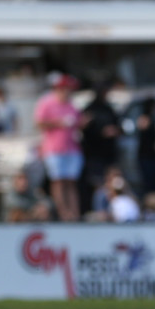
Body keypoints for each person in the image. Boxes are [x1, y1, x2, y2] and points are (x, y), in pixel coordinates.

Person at [33, 73, 84, 221]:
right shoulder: (46, 103)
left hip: (72, 148)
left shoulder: (72, 105)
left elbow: (78, 122)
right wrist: (59, 123)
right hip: (54, 149)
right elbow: (39, 123)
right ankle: (63, 214)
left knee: (71, 182)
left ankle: (74, 213)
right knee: (58, 182)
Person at [80, 83, 121, 215]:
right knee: (96, 184)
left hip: (109, 153)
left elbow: (119, 126)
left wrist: (115, 131)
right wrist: (101, 132)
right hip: (94, 154)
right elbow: (84, 131)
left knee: (110, 184)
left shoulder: (109, 109)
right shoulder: (89, 110)